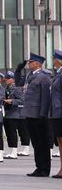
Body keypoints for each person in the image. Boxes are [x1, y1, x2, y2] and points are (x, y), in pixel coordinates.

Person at [23, 53, 52, 177]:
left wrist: (42, 114)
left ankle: (45, 168)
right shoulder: (30, 76)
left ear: (37, 64)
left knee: (42, 143)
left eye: (31, 62)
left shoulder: (44, 77)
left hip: (38, 115)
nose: (29, 64)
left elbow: (45, 98)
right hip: (30, 113)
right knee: (35, 143)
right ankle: (39, 167)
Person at [3, 70, 30, 159]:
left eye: (8, 78)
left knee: (18, 132)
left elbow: (22, 100)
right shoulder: (8, 88)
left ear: (13, 79)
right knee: (10, 133)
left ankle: (19, 150)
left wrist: (12, 101)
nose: (6, 80)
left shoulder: (17, 88)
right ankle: (12, 150)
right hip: (10, 113)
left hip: (16, 113)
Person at [51, 50, 62, 179]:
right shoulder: (57, 74)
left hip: (60, 111)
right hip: (56, 112)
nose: (53, 60)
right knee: (59, 140)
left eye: (54, 58)